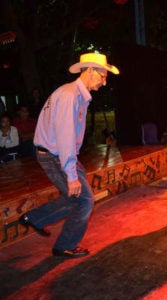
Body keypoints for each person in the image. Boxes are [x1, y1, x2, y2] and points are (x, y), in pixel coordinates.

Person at [19, 52, 119, 258]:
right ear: (90, 71)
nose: (105, 81)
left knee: (78, 199)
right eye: (103, 75)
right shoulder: (70, 96)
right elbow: (65, 137)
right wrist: (71, 175)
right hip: (55, 155)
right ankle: (64, 244)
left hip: (58, 154)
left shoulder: (76, 95)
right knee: (84, 201)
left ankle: (35, 218)